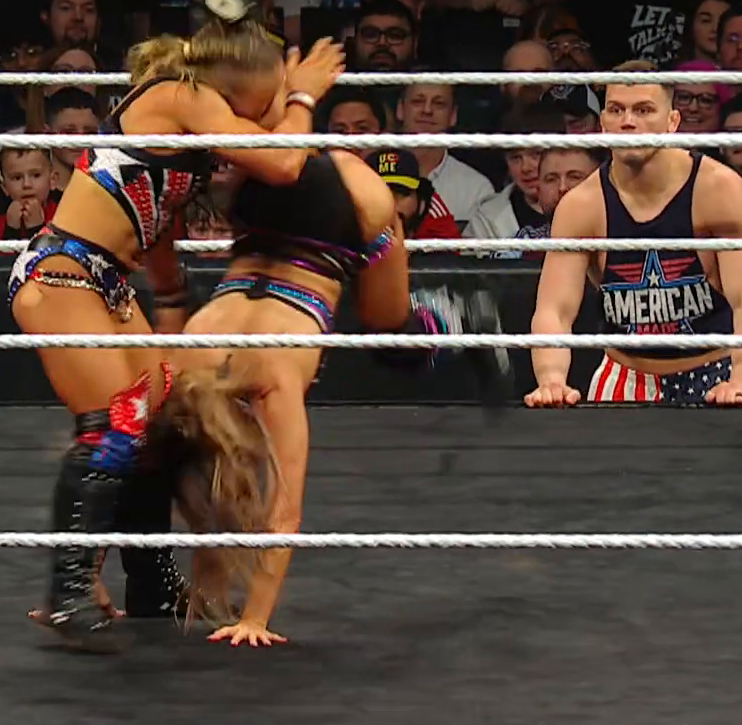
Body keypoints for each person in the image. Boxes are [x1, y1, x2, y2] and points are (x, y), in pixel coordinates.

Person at [10, 0, 345, 652]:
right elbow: (286, 162)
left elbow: (155, 235)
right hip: (61, 273)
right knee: (115, 421)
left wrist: (168, 320)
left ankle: (150, 579)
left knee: (160, 423)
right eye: (262, 106)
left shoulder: (190, 137)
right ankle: (70, 591)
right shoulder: (178, 94)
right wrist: (306, 94)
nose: (265, 120)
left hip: (108, 282)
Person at [145, 147, 509, 646]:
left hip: (354, 210)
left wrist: (255, 618)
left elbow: (285, 512)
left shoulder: (269, 381)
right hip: (273, 188)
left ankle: (456, 317)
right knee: (199, 485)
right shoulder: (184, 367)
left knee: (390, 332)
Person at [525, 62, 742, 407]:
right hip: (625, 375)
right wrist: (551, 380)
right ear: (603, 124)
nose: (628, 121)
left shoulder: (718, 190)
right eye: (617, 110)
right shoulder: (582, 206)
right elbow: (554, 310)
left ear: (672, 121)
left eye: (643, 110)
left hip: (712, 372)